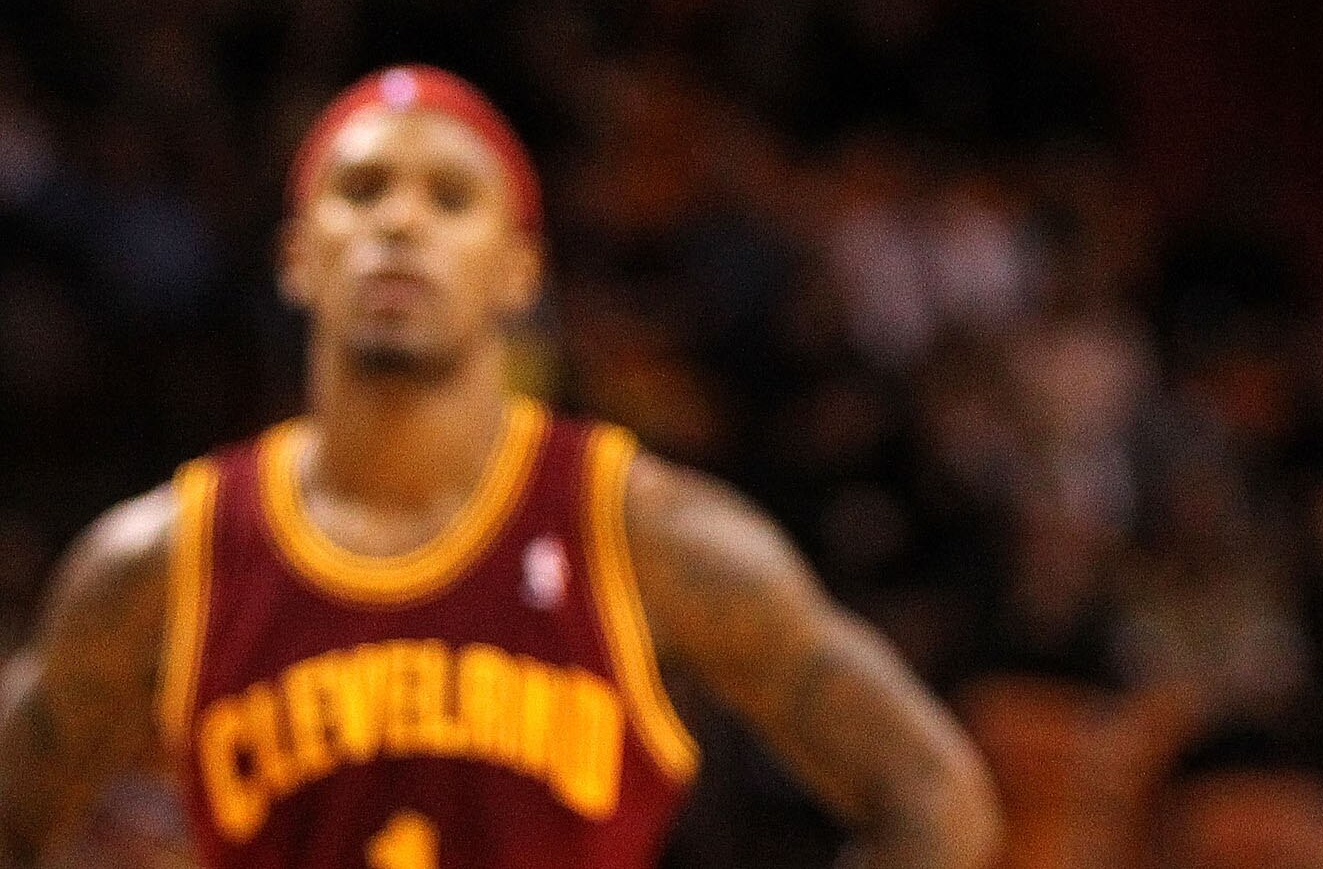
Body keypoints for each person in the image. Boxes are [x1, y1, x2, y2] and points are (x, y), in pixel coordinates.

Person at [0, 66, 1003, 869]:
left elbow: (933, 794)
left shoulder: (642, 529)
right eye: (361, 190)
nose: (401, 221)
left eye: (450, 196)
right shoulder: (168, 553)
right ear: (299, 255)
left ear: (518, 268)